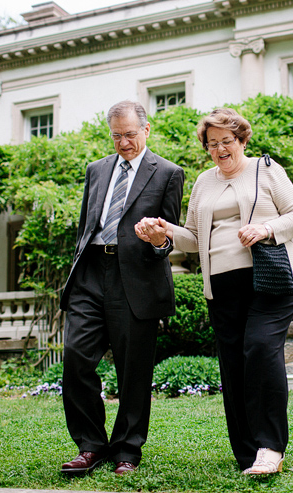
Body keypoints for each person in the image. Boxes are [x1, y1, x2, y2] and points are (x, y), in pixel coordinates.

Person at [136, 107, 293, 476]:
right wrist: (163, 232)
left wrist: (265, 229)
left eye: (226, 141)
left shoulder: (267, 169)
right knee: (234, 366)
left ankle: (271, 447)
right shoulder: (203, 182)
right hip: (224, 288)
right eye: (212, 144)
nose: (219, 150)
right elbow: (194, 238)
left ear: (241, 140)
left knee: (260, 349)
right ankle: (247, 453)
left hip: (271, 279)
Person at [59, 100, 184, 476]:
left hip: (136, 278)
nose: (123, 143)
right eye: (116, 136)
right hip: (91, 273)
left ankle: (127, 449)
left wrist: (157, 240)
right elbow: (86, 225)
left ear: (146, 130)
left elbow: (170, 238)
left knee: (134, 372)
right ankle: (90, 446)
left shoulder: (168, 173)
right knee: (76, 358)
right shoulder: (96, 170)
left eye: (130, 134)